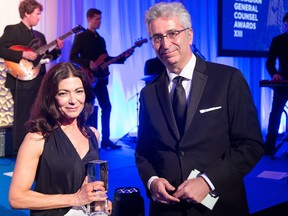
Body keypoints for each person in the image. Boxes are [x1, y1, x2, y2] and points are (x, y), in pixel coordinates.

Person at [135, 2, 264, 216]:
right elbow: (143, 152)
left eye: (173, 33)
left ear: (190, 35)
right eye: (157, 37)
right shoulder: (148, 94)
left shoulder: (228, 79)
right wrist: (152, 181)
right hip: (167, 209)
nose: (165, 44)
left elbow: (251, 145)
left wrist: (207, 182)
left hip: (219, 207)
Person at [8, 62, 112, 216]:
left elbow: (90, 186)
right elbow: (16, 198)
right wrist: (75, 199)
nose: (73, 100)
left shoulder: (93, 134)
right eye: (63, 93)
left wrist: (100, 203)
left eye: (78, 91)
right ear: (51, 97)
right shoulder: (37, 138)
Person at [0, 0, 63, 157]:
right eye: (37, 13)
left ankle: (36, 150)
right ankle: (18, 153)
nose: (39, 17)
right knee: (23, 117)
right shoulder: (13, 30)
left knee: (39, 115)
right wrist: (22, 54)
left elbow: (46, 58)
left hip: (38, 80)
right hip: (20, 81)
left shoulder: (39, 35)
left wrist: (57, 51)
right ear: (27, 13)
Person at [69, 8, 132, 150]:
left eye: (100, 19)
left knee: (107, 107)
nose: (100, 22)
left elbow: (106, 59)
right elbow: (73, 57)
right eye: (97, 19)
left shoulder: (101, 40)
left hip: (101, 80)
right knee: (87, 109)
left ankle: (106, 140)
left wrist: (123, 57)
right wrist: (87, 63)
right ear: (89, 19)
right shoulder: (81, 37)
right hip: (88, 79)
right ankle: (85, 139)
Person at [264, 12, 288, 156]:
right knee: (276, 113)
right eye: (286, 25)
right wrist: (275, 74)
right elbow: (269, 62)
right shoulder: (278, 40)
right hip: (282, 81)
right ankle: (269, 146)